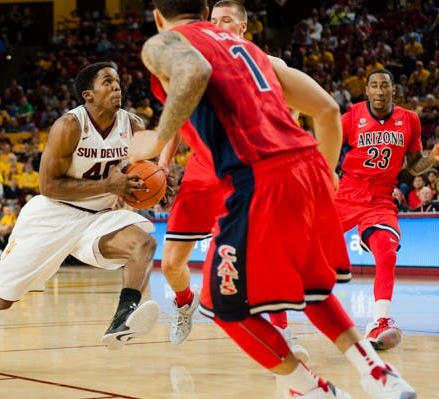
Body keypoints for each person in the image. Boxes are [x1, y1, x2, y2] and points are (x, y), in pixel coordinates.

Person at [129, 1, 416, 397]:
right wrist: (325, 176)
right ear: (203, 10)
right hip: (306, 167)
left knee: (225, 307)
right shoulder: (254, 53)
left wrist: (157, 139)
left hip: (255, 178)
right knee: (311, 288)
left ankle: (312, 390)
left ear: (160, 18)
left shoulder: (164, 42)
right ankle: (377, 372)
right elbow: (327, 109)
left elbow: (193, 70)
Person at [0, 62, 160, 371]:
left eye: (118, 81)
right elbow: (48, 186)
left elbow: (145, 170)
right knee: (4, 298)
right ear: (88, 94)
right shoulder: (70, 126)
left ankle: (123, 317)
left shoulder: (133, 125)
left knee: (143, 244)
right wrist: (108, 185)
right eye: (108, 82)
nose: (117, 87)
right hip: (52, 215)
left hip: (98, 215)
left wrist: (155, 185)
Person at [156, 0, 307, 360]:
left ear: (243, 28)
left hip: (250, 171)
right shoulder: (195, 67)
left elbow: (293, 119)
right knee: (171, 263)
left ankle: (283, 332)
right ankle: (184, 303)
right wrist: (162, 165)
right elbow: (176, 120)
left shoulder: (273, 67)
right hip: (202, 172)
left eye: (226, 21)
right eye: (213, 20)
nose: (217, 26)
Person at [337, 68, 439, 350]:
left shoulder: (410, 120)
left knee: (386, 251)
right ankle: (278, 316)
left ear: (394, 90)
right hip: (347, 192)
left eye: (385, 86)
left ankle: (380, 321)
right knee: (309, 247)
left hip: (381, 198)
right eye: (374, 86)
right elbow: (328, 142)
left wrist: (432, 159)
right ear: (367, 90)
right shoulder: (352, 117)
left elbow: (412, 167)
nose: (380, 91)